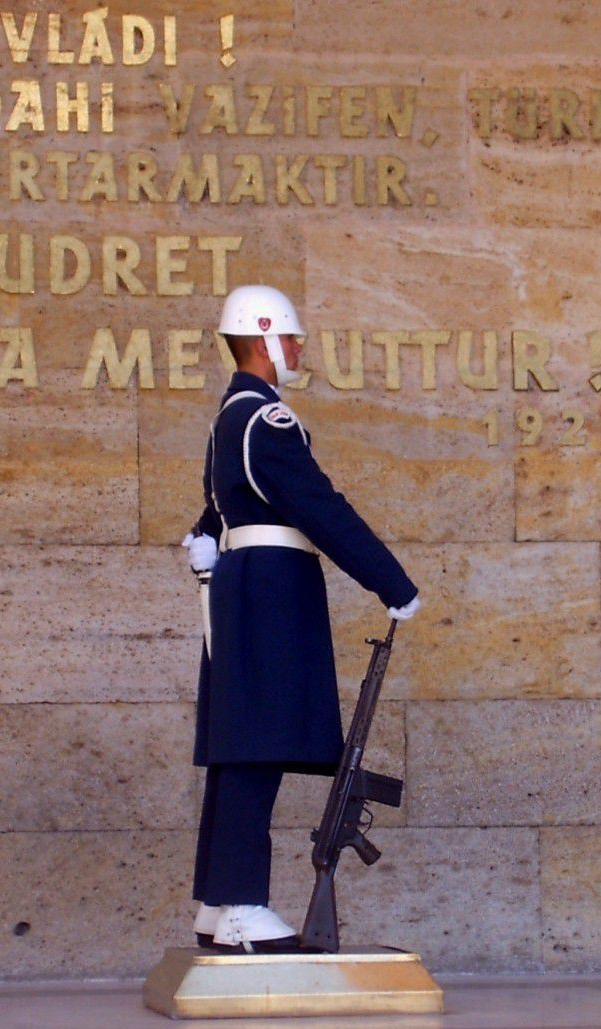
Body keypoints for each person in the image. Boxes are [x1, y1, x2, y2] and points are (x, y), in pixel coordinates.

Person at [183, 284, 420, 953]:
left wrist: (206, 537)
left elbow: (223, 504)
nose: (297, 351)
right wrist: (391, 582)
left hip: (244, 588)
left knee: (242, 751)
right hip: (270, 592)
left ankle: (219, 899)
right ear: (263, 339)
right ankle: (239, 906)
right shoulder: (267, 420)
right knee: (255, 750)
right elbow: (320, 507)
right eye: (291, 339)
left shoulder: (230, 417)